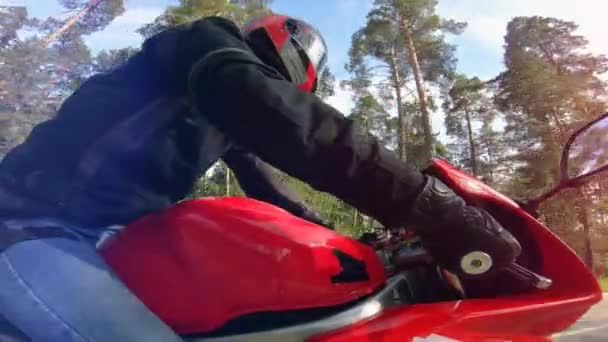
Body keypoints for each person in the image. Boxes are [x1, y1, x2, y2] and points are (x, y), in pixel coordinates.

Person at [0, 14, 521, 341]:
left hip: (106, 240)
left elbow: (271, 190)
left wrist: (353, 245)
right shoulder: (208, 47)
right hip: (27, 225)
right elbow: (275, 115)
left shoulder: (225, 116)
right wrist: (430, 205)